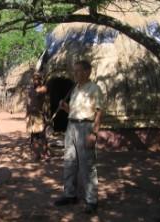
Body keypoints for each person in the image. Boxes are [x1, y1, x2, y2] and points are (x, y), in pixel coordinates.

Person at [54, 60, 104, 214]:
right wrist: (65, 107)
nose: (75, 74)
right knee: (69, 162)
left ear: (87, 72)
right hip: (72, 126)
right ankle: (70, 195)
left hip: (86, 128)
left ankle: (91, 200)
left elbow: (99, 113)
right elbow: (74, 112)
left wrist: (94, 133)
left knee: (87, 165)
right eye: (74, 71)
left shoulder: (94, 88)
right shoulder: (75, 89)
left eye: (78, 71)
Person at [26, 73, 51, 161]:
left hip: (39, 116)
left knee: (42, 136)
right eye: (34, 79)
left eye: (37, 79)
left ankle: (45, 154)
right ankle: (36, 154)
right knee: (34, 136)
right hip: (31, 116)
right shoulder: (31, 90)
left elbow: (41, 92)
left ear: (41, 79)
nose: (35, 81)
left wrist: (34, 90)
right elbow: (28, 103)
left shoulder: (43, 88)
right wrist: (27, 114)